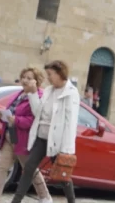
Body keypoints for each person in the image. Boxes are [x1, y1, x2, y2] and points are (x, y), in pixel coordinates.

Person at [11, 60, 80, 203]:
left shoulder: (71, 93)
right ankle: (16, 200)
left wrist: (66, 149)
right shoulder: (49, 91)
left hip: (57, 141)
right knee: (29, 167)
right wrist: (33, 93)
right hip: (42, 137)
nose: (48, 77)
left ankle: (72, 201)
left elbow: (70, 123)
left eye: (50, 74)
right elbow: (37, 112)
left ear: (60, 73)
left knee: (63, 175)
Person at [0, 66, 51, 203]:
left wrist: (16, 120)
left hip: (23, 139)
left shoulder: (39, 97)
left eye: (29, 78)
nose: (25, 80)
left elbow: (34, 120)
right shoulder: (19, 94)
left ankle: (45, 197)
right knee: (1, 167)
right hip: (9, 135)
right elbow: (12, 113)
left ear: (37, 81)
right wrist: (2, 117)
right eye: (23, 77)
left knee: (30, 169)